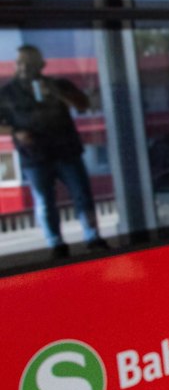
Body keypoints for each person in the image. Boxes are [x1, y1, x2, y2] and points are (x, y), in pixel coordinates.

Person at [0, 43, 106, 257]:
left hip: (66, 150)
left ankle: (93, 238)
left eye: (30, 62)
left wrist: (58, 94)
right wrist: (16, 132)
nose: (24, 67)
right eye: (21, 62)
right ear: (15, 65)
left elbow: (84, 105)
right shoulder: (6, 93)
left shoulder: (59, 84)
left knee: (82, 196)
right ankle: (56, 243)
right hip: (35, 155)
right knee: (44, 201)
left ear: (41, 65)